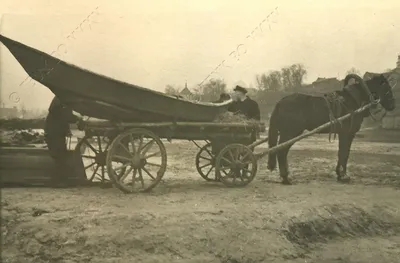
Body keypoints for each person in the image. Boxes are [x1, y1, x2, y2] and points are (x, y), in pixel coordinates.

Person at [44, 96, 81, 187]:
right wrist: (77, 119)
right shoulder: (61, 103)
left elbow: (65, 116)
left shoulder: (60, 101)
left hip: (55, 133)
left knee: (59, 156)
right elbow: (66, 116)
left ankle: (58, 181)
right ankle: (57, 182)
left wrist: (76, 119)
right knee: (59, 156)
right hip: (55, 133)